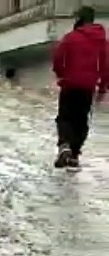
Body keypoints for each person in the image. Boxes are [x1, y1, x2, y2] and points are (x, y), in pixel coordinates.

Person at [51, 6, 107, 168]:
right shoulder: (101, 41)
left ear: (79, 19)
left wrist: (61, 74)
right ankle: (74, 154)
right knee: (81, 119)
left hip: (69, 84)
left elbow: (58, 58)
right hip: (88, 87)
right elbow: (105, 66)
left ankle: (65, 146)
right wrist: (102, 87)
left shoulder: (70, 38)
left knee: (65, 116)